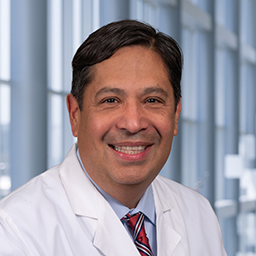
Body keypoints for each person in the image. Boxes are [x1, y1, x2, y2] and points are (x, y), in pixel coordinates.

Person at [0, 20, 227, 255]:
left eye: (152, 100)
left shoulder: (200, 214)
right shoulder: (15, 230)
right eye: (111, 100)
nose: (133, 123)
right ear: (75, 115)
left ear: (175, 114)